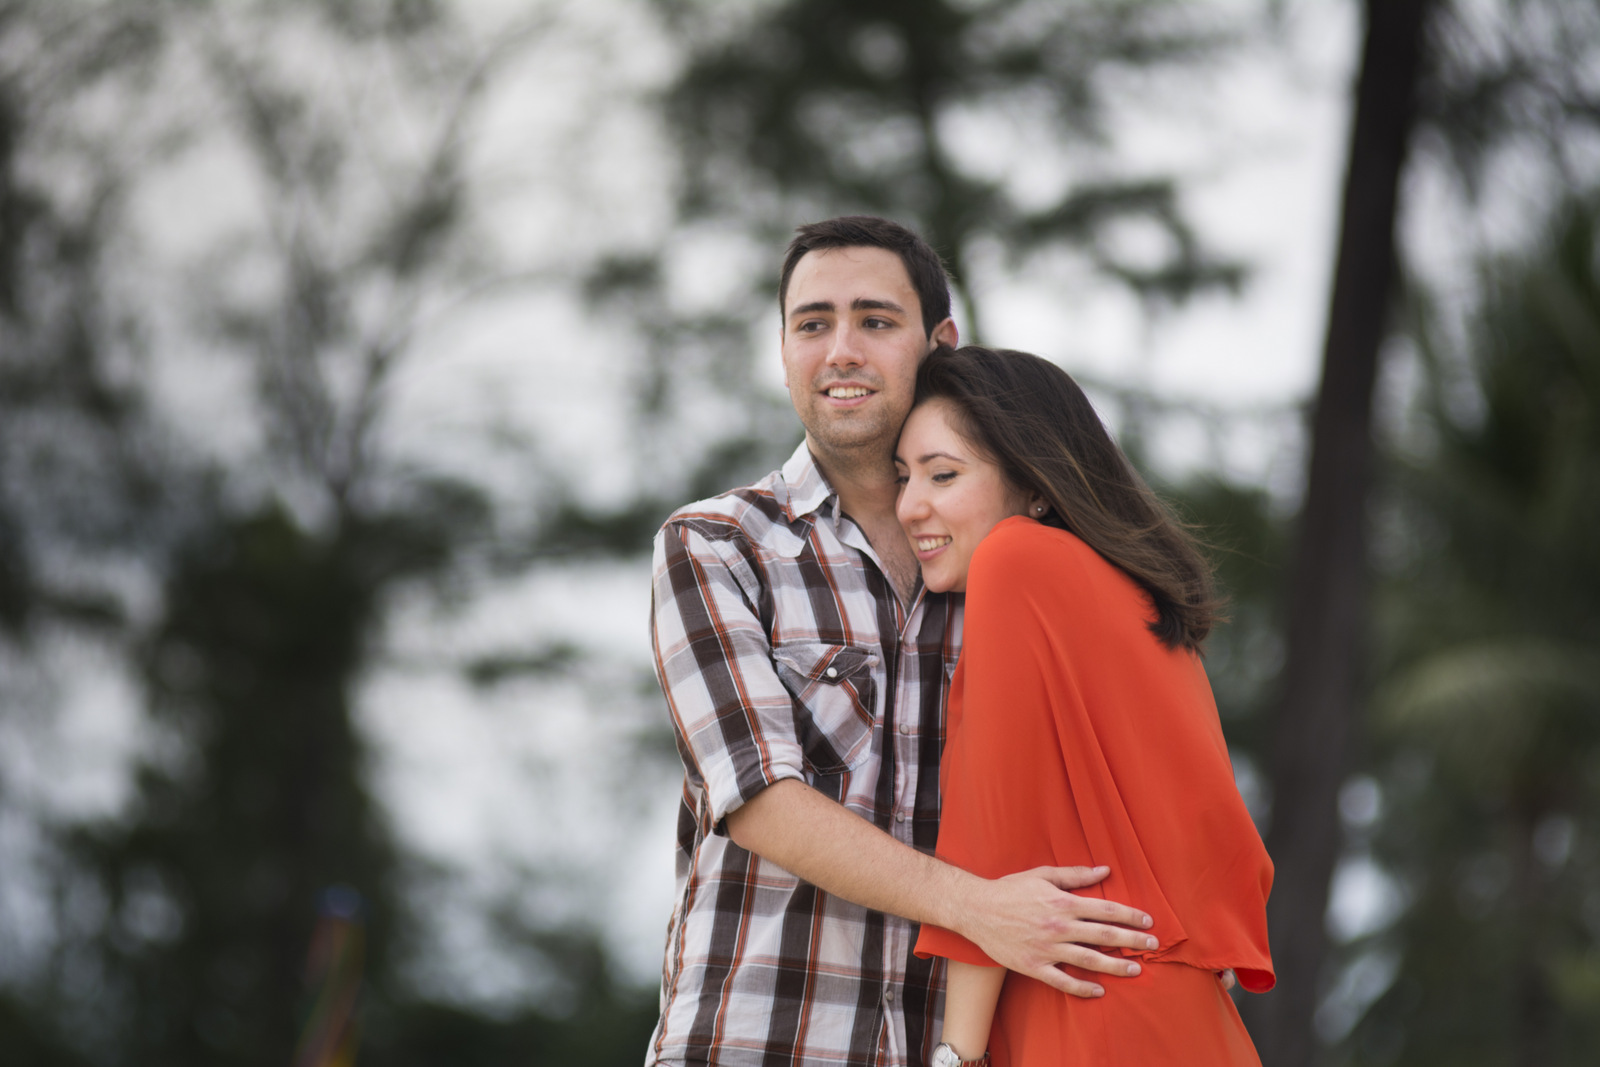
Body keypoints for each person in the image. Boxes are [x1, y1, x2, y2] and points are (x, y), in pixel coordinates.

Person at [646, 218, 1158, 1067]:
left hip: (954, 1050)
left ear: (939, 344)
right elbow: (761, 799)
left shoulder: (1020, 571)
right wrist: (980, 908)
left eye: (876, 321)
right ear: (783, 350)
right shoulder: (717, 546)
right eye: (813, 324)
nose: (841, 349)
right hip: (754, 1040)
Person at [898, 345, 1275, 1066]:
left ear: (1034, 484)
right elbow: (1223, 844)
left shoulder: (1014, 560)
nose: (911, 504)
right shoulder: (1146, 602)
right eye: (904, 475)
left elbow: (991, 848)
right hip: (1187, 1017)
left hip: (1090, 1017)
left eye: (943, 474)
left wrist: (956, 1054)